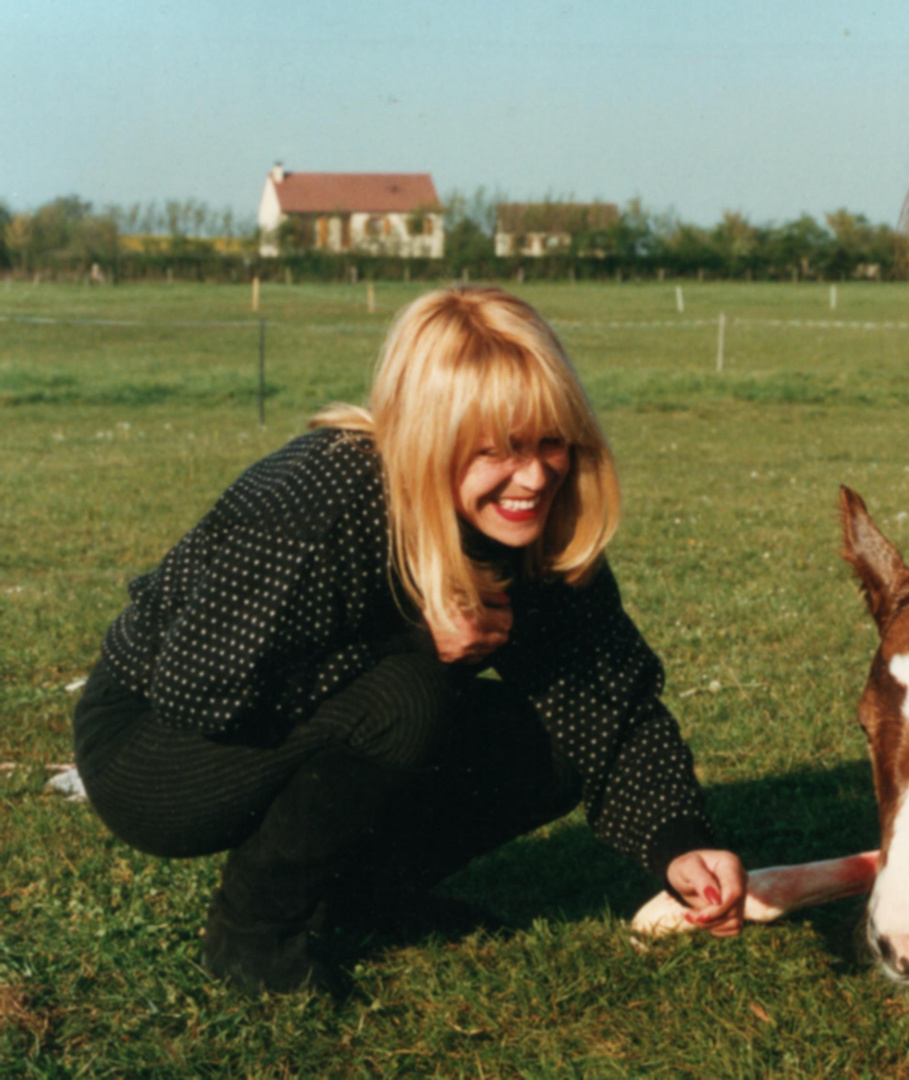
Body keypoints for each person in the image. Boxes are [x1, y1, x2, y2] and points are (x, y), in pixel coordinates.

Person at [72, 286, 746, 995]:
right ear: (430, 438)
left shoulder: (539, 522)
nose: (536, 475)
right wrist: (411, 643)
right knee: (406, 693)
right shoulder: (321, 496)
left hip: (289, 709)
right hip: (152, 752)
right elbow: (199, 686)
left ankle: (360, 899)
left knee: (554, 738)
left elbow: (607, 702)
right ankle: (252, 937)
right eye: (497, 451)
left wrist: (680, 840)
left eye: (551, 441)